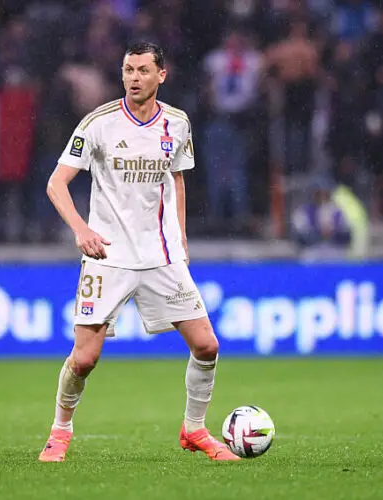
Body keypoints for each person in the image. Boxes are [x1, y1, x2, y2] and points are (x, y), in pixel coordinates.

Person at [38, 42, 239, 462]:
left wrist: (180, 238)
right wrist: (80, 229)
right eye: (128, 69)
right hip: (107, 254)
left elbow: (178, 181)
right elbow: (56, 183)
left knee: (207, 346)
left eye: (143, 70)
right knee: (85, 358)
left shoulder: (178, 124)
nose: (134, 77)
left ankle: (195, 429)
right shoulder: (98, 123)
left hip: (161, 255)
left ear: (161, 75)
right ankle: (60, 431)